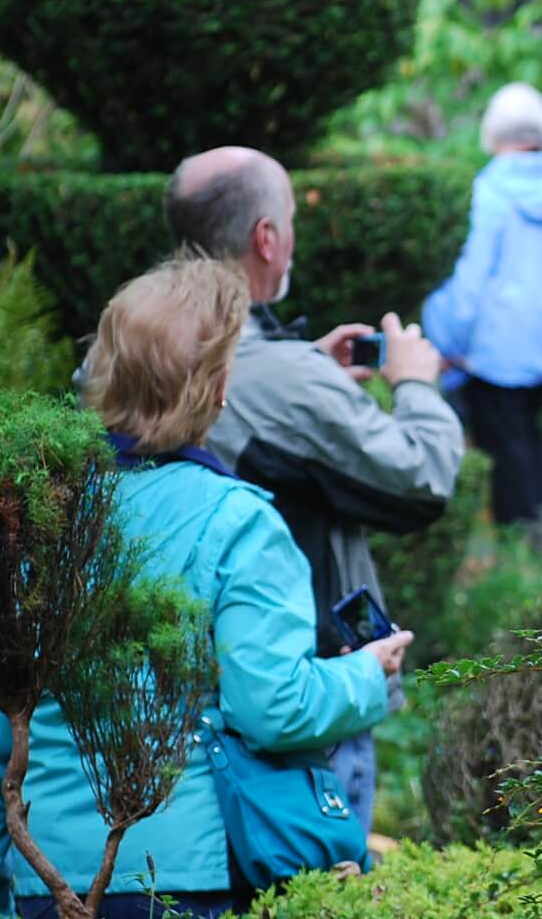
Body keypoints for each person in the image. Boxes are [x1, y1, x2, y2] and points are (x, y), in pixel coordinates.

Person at [0, 257, 415, 918]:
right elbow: (270, 707)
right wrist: (364, 675)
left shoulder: (29, 531)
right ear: (218, 392)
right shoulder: (239, 524)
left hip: (45, 881)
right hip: (187, 879)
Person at [163, 146, 465, 832]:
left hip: (166, 690)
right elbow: (421, 480)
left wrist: (307, 372)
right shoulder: (283, 379)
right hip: (301, 694)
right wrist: (414, 380)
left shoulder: (122, 356)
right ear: (266, 237)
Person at [423, 83, 542, 528]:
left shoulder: (486, 196)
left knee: (505, 447)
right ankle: (539, 529)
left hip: (490, 351)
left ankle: (522, 541)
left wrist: (446, 341)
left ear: (492, 133)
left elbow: (467, 283)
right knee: (527, 434)